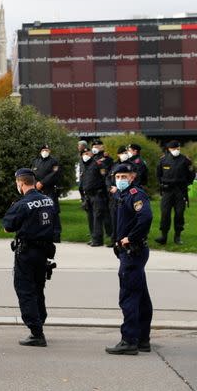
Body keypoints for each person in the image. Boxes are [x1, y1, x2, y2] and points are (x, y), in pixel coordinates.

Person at [2, 168, 60, 347]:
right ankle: (40, 321)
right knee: (38, 288)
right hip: (44, 252)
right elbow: (56, 225)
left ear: (20, 183)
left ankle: (36, 332)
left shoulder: (22, 204)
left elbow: (7, 226)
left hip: (26, 252)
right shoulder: (48, 200)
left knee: (25, 289)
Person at [105, 163, 153, 355]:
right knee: (140, 296)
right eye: (118, 177)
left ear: (132, 177)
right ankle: (142, 339)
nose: (120, 180)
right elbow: (120, 198)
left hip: (133, 251)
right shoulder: (123, 195)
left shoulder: (136, 194)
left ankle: (129, 340)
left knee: (129, 296)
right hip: (131, 252)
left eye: (124, 176)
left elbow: (145, 217)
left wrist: (130, 237)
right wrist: (115, 191)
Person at [155, 141, 196, 245]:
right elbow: (158, 174)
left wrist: (186, 184)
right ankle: (163, 236)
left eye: (177, 148)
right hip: (167, 191)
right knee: (165, 213)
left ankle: (177, 236)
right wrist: (162, 184)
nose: (176, 150)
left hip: (180, 191)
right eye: (174, 148)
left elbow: (191, 174)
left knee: (179, 214)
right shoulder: (163, 160)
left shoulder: (185, 160)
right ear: (169, 149)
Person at [81, 140, 113, 247]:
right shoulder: (87, 165)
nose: (86, 155)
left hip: (98, 194)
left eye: (87, 153)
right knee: (91, 217)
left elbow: (105, 177)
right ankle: (94, 237)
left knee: (98, 217)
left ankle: (99, 239)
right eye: (84, 154)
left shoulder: (99, 163)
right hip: (88, 195)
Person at [31, 144, 62, 216]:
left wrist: (42, 183)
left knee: (51, 211)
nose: (45, 152)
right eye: (43, 150)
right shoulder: (35, 161)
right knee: (37, 212)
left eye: (46, 150)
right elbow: (31, 174)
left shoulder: (54, 161)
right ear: (40, 151)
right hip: (37, 190)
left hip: (49, 190)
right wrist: (36, 183)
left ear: (49, 151)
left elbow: (54, 174)